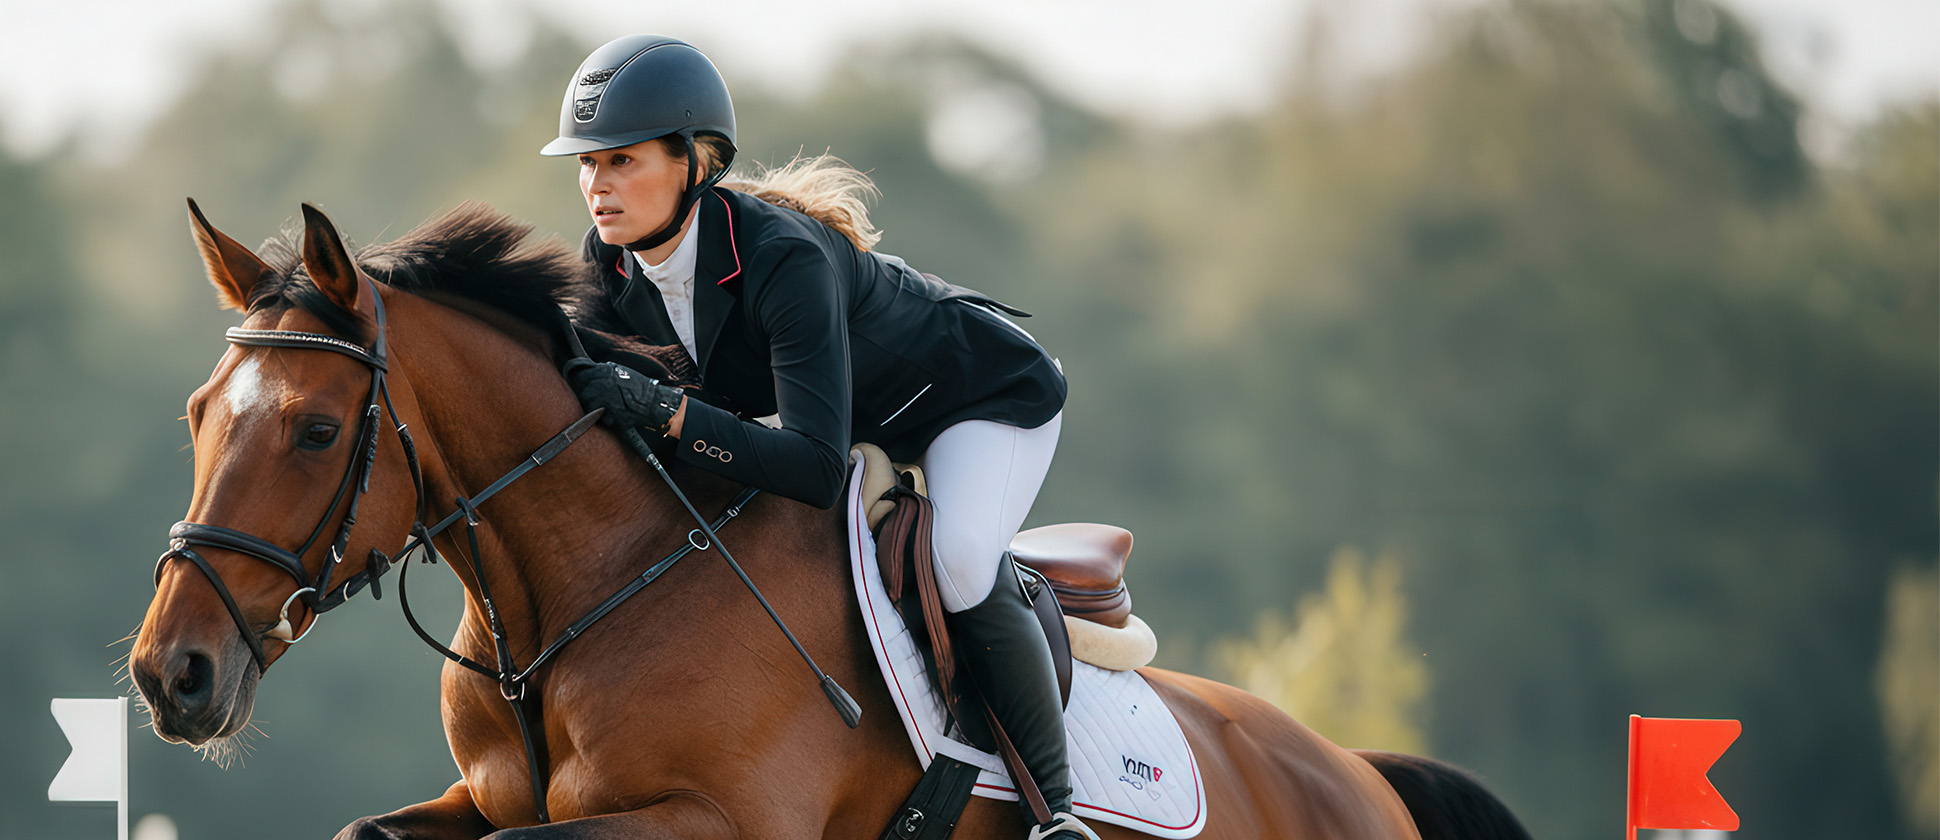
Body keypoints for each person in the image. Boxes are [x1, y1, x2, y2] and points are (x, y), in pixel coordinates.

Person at [542, 36, 1097, 840]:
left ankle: (1057, 810)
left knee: (960, 557)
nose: (597, 186)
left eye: (622, 161)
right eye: (587, 165)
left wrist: (666, 412)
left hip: (978, 398)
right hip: (866, 420)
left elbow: (809, 465)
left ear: (697, 160)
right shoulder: (612, 267)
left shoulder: (783, 259)